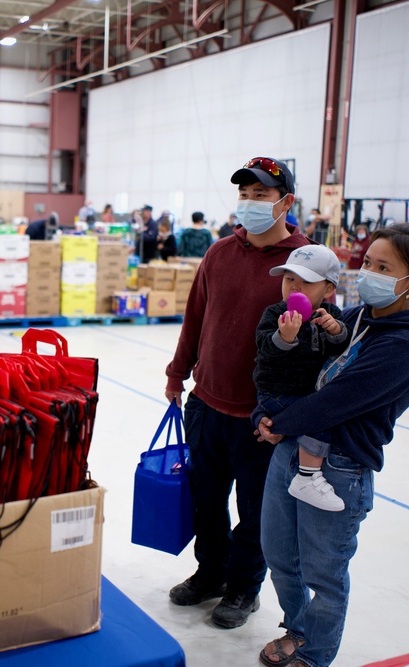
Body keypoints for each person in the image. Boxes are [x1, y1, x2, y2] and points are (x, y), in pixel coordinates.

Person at [255, 218, 409, 667]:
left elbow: (333, 402)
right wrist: (269, 404)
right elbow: (304, 369)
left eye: (383, 267)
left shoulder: (405, 347)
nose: (368, 271)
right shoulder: (359, 318)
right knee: (279, 556)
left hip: (340, 467)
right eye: (367, 261)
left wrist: (278, 422)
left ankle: (315, 654)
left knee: (324, 573)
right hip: (294, 448)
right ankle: (299, 629)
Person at [164, 157, 310, 629]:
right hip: (206, 403)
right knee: (205, 499)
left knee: (255, 511)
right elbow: (196, 318)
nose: (248, 203)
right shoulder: (219, 253)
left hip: (261, 417)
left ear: (285, 202)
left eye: (260, 195)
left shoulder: (305, 262)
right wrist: (177, 372)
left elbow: (317, 345)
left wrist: (292, 414)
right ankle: (211, 573)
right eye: (244, 195)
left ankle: (245, 588)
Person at [251, 245, 349, 512]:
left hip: (305, 391)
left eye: (306, 282)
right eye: (289, 279)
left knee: (321, 409)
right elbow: (263, 345)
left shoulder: (330, 315)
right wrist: (285, 337)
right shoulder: (275, 313)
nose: (294, 288)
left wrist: (336, 330)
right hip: (277, 393)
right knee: (319, 416)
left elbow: (342, 347)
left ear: (328, 290)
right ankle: (307, 476)